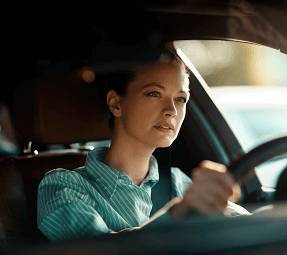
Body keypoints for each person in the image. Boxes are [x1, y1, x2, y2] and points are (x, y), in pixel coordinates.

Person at [37, 50, 250, 243]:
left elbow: (246, 227)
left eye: (181, 99)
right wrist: (177, 214)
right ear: (116, 104)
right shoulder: (62, 186)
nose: (172, 111)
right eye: (154, 93)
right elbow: (96, 249)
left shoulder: (178, 182)